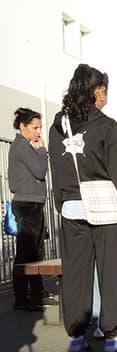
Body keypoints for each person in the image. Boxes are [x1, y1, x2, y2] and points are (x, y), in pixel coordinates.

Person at [48, 64, 117, 352]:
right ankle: (113, 337)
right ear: (98, 91)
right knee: (110, 272)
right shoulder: (107, 126)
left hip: (71, 208)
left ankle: (77, 338)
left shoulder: (58, 127)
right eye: (104, 90)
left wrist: (61, 202)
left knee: (76, 274)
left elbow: (56, 169)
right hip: (106, 208)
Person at [8, 107, 55, 312]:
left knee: (36, 252)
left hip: (34, 203)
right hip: (27, 204)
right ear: (22, 127)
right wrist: (41, 151)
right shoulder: (22, 146)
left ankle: (37, 294)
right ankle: (22, 298)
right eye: (35, 128)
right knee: (26, 252)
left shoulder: (25, 145)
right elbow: (39, 170)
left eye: (39, 128)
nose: (38, 132)